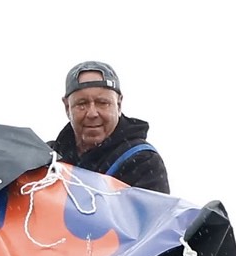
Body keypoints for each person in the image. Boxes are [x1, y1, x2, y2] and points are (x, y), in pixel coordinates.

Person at [51, 61, 169, 193]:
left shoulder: (143, 162)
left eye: (102, 103)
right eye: (82, 104)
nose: (92, 113)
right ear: (67, 107)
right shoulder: (46, 159)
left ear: (118, 104)